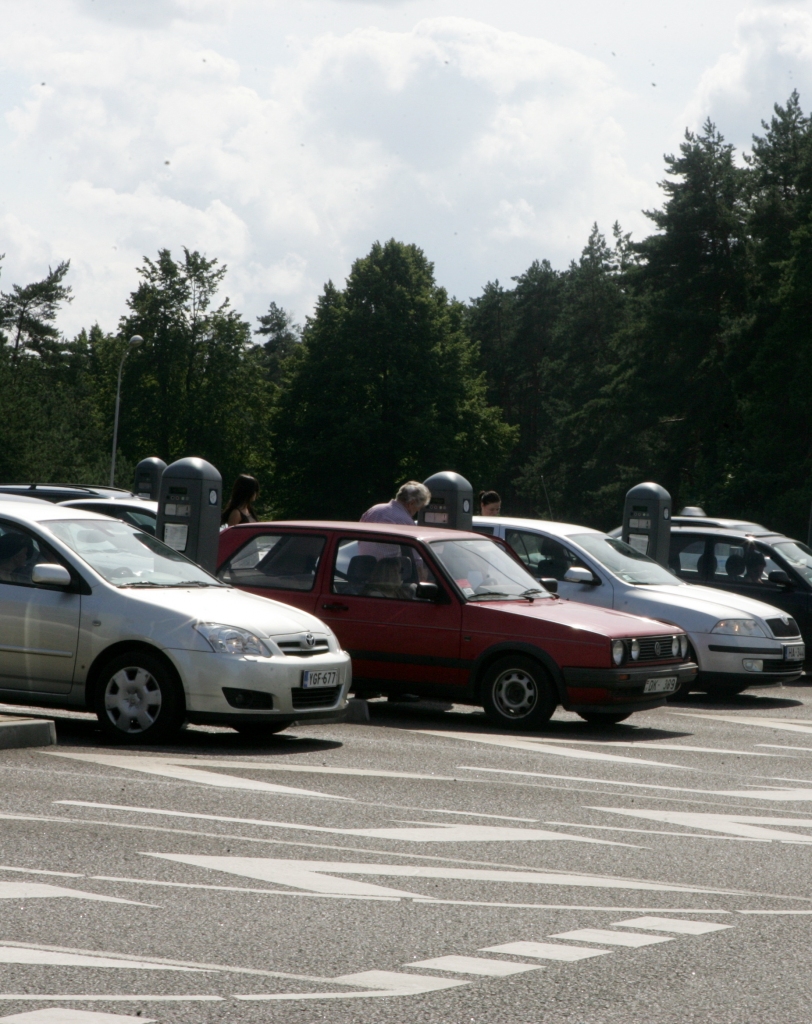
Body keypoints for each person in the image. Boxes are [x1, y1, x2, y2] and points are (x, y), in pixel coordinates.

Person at [361, 481, 430, 525]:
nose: (417, 511)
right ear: (411, 503)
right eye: (418, 508)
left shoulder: (373, 510)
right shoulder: (406, 522)